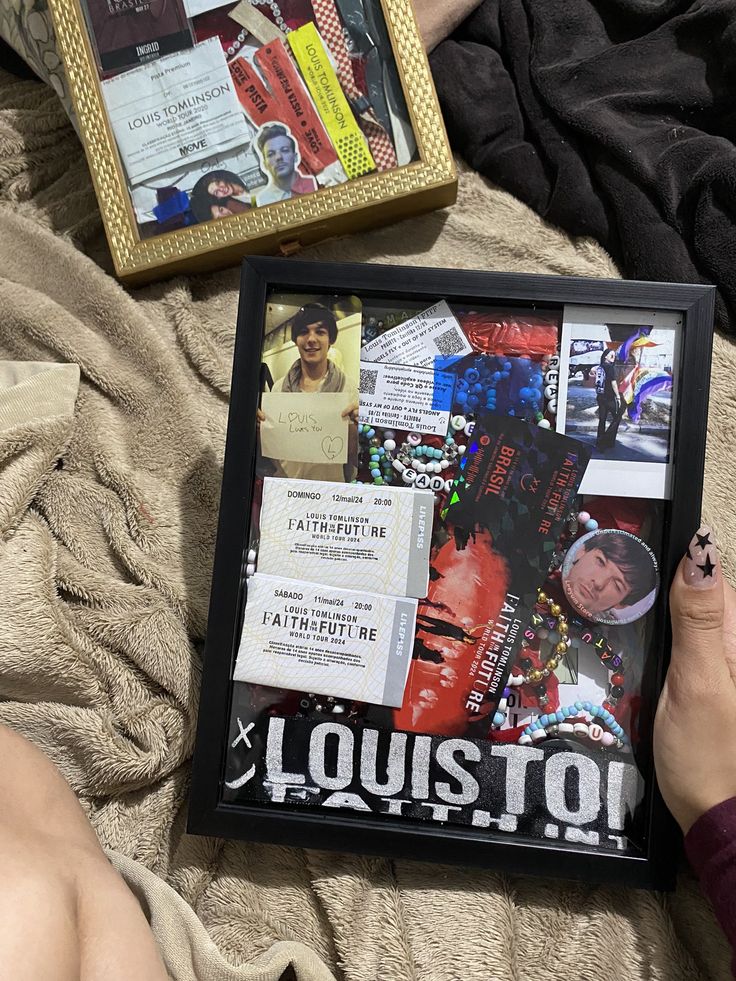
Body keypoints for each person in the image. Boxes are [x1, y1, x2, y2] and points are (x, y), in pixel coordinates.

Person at [0, 526, 735, 972]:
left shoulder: (592, 667)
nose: (600, 584)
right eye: (602, 565)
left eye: (612, 587)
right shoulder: (508, 561)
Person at [257, 302, 358, 481]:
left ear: (331, 340)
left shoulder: (348, 389)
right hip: (286, 487)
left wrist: (360, 427)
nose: (311, 339)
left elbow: (354, 455)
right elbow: (273, 448)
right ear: (296, 340)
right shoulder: (279, 388)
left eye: (320, 332)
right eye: (304, 332)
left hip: (329, 488)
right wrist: (259, 430)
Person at [563, 530, 657, 620]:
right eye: (601, 561)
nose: (599, 583)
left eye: (617, 585)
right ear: (582, 551)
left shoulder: (612, 634)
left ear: (622, 604)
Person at [254, 124, 318, 206]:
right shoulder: (263, 200)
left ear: (295, 157)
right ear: (265, 164)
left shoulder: (313, 184)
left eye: (284, 150)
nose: (278, 157)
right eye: (271, 154)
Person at [594, 348, 623, 451]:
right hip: (609, 397)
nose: (613, 357)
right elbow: (613, 383)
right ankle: (607, 440)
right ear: (605, 356)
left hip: (600, 397)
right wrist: (618, 396)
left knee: (602, 419)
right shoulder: (610, 367)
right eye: (611, 355)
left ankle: (599, 440)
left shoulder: (600, 367)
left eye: (614, 356)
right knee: (617, 416)